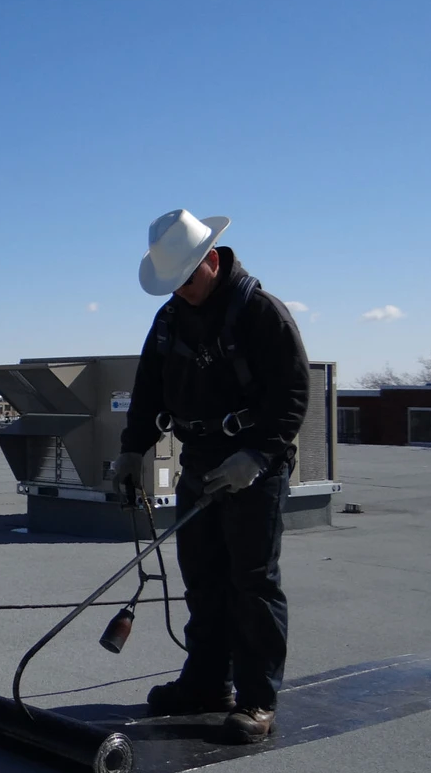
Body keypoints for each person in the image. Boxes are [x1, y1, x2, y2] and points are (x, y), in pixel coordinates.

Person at [111, 209, 309, 743]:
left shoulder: (261, 313)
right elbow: (148, 390)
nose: (182, 290)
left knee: (252, 582)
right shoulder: (170, 319)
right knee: (203, 578)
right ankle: (206, 684)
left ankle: (257, 699)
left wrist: (256, 456)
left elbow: (293, 395)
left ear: (213, 261)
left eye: (188, 278)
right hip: (198, 462)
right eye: (173, 283)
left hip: (252, 468)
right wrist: (131, 452)